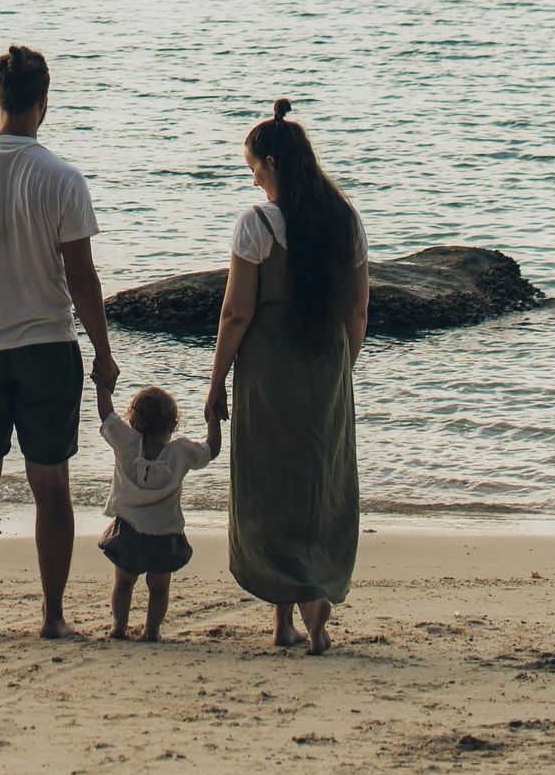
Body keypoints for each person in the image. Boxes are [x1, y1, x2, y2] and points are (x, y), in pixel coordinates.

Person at [0, 44, 118, 639]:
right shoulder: (62, 177)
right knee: (51, 483)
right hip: (45, 347)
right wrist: (104, 352)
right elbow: (82, 278)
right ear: (43, 102)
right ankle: (53, 615)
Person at [203, 98, 369, 653]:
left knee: (270, 485)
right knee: (320, 483)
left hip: (268, 369)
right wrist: (344, 364)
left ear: (271, 161)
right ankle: (314, 606)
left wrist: (216, 379)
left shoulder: (256, 226)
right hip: (326, 363)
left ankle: (281, 621)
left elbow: (237, 311)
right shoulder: (345, 220)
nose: (251, 177)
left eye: (253, 165)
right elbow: (358, 312)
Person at [94, 378, 214, 642]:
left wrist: (101, 382)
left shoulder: (126, 443)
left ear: (134, 421)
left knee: (124, 582)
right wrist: (213, 416)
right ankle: (152, 630)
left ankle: (118, 626)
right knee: (159, 587)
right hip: (164, 534)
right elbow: (211, 450)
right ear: (172, 424)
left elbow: (106, 415)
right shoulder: (180, 451)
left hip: (128, 531)